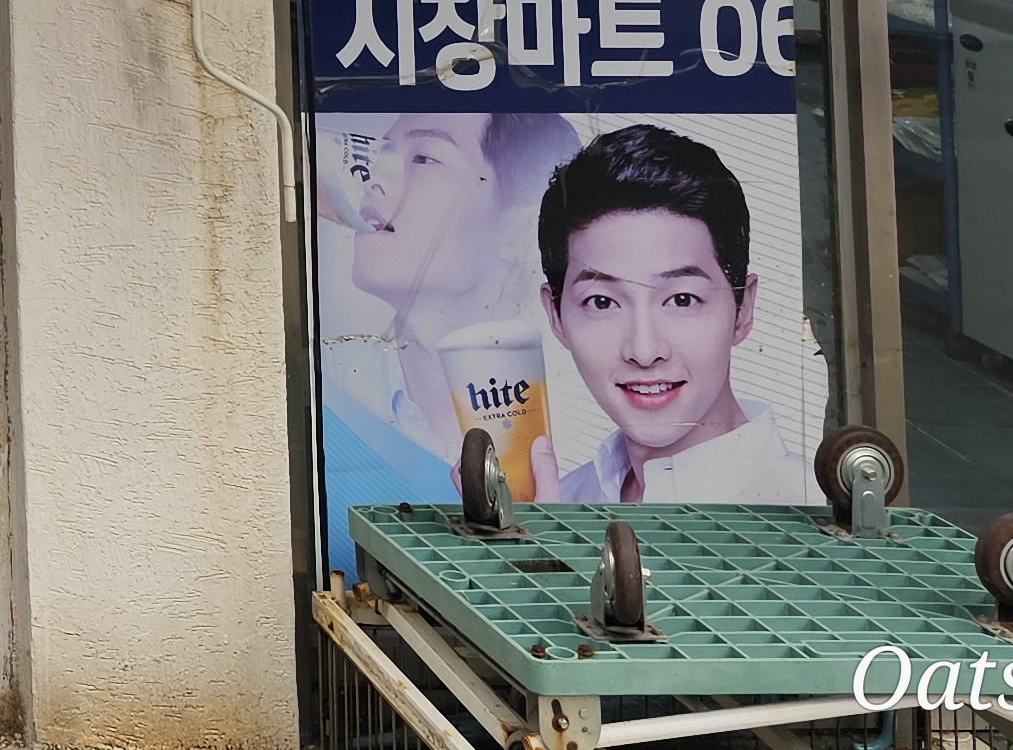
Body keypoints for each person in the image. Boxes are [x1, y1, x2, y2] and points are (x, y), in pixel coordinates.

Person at [535, 123, 807, 503]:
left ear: (743, 309)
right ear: (556, 316)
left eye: (682, 300)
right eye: (602, 302)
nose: (644, 352)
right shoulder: (556, 505)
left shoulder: (815, 511)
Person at [330, 108, 585, 493]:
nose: (371, 177)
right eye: (380, 154)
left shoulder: (596, 414)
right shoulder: (326, 386)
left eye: (423, 158)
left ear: (520, 231)